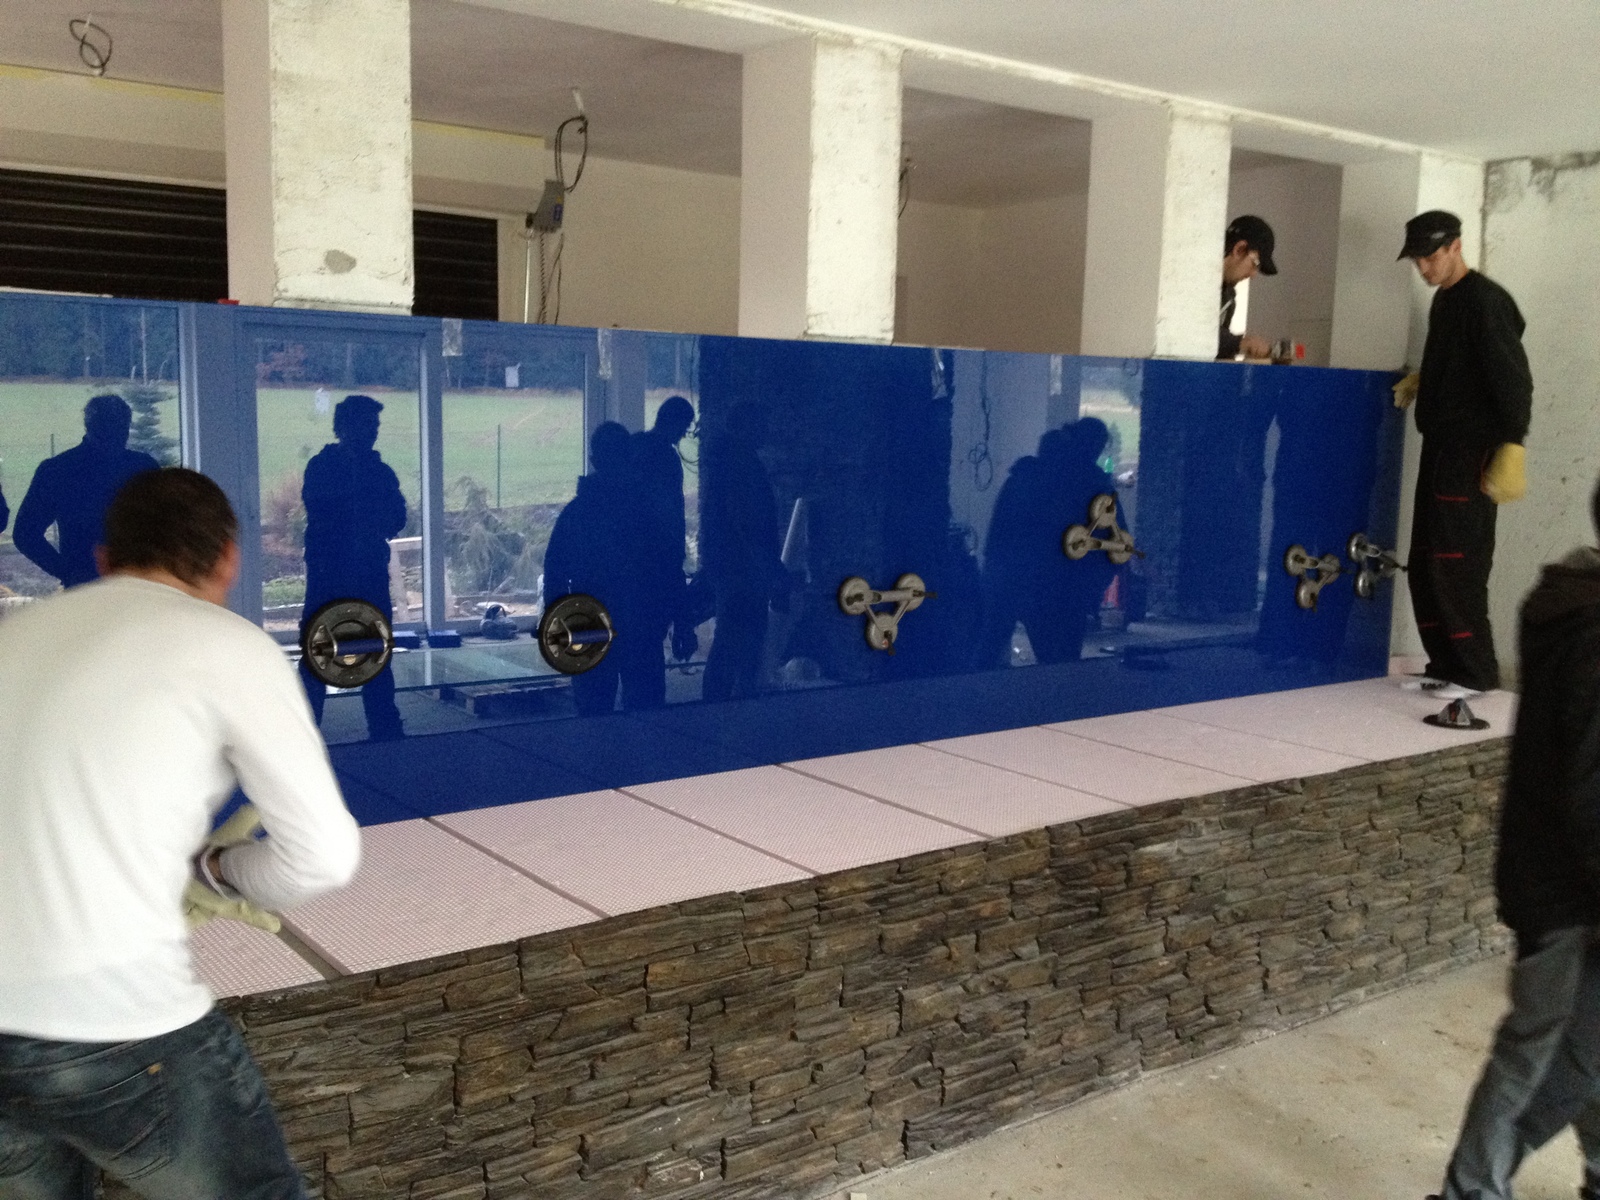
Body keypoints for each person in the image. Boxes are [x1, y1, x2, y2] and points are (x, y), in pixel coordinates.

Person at [0, 466, 361, 1200]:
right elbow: (323, 856)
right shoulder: (225, 644)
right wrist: (218, 871)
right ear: (229, 559)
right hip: (117, 1021)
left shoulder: (17, 635)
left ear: (104, 558)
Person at [1425, 475, 1600, 1200]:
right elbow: (1593, 790)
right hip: (1571, 892)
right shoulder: (1593, 632)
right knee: (1545, 1052)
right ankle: (1471, 1189)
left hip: (1557, 877)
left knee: (1584, 1047)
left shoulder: (1574, 604)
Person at [1394, 210, 1532, 722]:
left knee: (1457, 561)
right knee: (1426, 558)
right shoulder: (1445, 300)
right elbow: (1459, 363)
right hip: (1441, 446)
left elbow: (1514, 381)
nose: (1424, 269)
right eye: (1417, 261)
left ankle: (1475, 671)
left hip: (1472, 452)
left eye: (1430, 257)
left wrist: (1512, 444)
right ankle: (1446, 663)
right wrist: (1426, 380)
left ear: (1455, 246)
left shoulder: (1487, 302)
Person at [299, 394, 408, 741]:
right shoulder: (323, 467)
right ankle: (304, 732)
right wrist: (365, 508)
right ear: (344, 427)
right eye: (367, 425)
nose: (373, 432)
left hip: (365, 570)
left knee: (377, 651)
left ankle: (384, 727)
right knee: (318, 651)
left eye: (375, 425)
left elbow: (397, 519)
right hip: (331, 571)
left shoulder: (379, 471)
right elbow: (323, 513)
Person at [544, 422, 648, 714]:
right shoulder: (644, 511)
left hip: (587, 615)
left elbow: (555, 572)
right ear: (630, 457)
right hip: (638, 613)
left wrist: (556, 623)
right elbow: (663, 565)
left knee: (593, 708)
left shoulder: (576, 512)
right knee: (646, 710)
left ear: (594, 461)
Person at [12, 393, 160, 588]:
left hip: (92, 585)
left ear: (88, 425)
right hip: (136, 585)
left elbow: (25, 534)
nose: (115, 436)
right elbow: (25, 534)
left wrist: (67, 572)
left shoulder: (58, 469)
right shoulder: (143, 466)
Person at [700, 403, 788, 702]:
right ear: (745, 427)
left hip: (735, 567)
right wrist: (770, 569)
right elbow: (748, 524)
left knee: (735, 640)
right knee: (739, 639)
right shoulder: (741, 466)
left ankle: (724, 703)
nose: (766, 430)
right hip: (743, 572)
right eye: (759, 424)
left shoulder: (729, 463)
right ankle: (725, 706)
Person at [631, 395, 698, 703]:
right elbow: (671, 511)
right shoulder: (665, 457)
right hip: (658, 557)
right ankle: (649, 702)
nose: (684, 434)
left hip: (633, 558)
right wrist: (675, 552)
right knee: (650, 640)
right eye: (684, 426)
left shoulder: (636, 447)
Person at [1219, 214, 1278, 361]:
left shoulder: (1229, 297)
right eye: (1255, 263)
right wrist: (1241, 343)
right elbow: (1190, 330)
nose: (1253, 275)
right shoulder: (1193, 282)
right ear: (1239, 249)